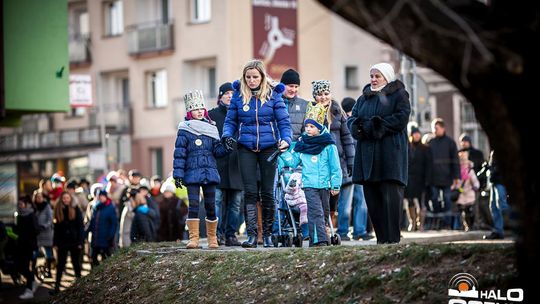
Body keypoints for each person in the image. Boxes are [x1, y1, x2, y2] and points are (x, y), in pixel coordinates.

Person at [222, 59, 292, 248]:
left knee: (268, 193)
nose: (251, 80)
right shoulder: (238, 96)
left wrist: (286, 138)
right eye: (248, 77)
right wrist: (227, 134)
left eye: (255, 77)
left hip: (269, 147)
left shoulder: (273, 96)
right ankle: (252, 235)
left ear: (262, 77)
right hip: (245, 148)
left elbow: (284, 122)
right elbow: (230, 122)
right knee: (250, 192)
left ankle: (268, 235)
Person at [347, 62, 411, 244]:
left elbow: (401, 118)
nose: (373, 80)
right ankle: (381, 242)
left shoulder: (399, 95)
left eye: (377, 76)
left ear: (386, 77)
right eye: (372, 76)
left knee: (390, 203)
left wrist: (376, 126)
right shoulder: (363, 98)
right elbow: (352, 119)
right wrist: (361, 127)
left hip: (390, 158)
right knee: (374, 204)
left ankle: (392, 242)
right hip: (368, 160)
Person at [173, 90, 229, 249]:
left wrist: (226, 147)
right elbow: (179, 154)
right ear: (189, 111)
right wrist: (178, 175)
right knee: (194, 205)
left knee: (211, 205)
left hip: (209, 172)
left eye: (200, 109)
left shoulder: (211, 128)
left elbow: (217, 151)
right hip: (192, 174)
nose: (198, 112)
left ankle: (212, 239)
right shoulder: (184, 129)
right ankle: (194, 239)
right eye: (195, 109)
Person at [279, 104, 342, 246]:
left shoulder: (328, 145)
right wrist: (283, 154)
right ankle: (321, 240)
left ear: (319, 127)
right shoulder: (303, 144)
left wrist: (336, 184)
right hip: (309, 185)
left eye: (312, 127)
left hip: (325, 185)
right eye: (306, 126)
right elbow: (294, 162)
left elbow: (335, 167)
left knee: (323, 212)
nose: (308, 129)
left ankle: (316, 239)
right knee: (315, 211)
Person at [311, 80, 355, 231]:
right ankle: (322, 226)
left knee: (334, 197)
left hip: (337, 161)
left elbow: (347, 139)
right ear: (314, 96)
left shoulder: (338, 112)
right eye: (319, 94)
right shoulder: (311, 112)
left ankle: (330, 226)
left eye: (326, 93)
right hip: (317, 162)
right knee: (321, 195)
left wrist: (351, 161)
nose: (323, 97)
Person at [208, 82, 244, 246]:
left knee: (235, 204)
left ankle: (231, 235)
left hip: (237, 165)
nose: (230, 96)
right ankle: (216, 234)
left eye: (233, 93)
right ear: (220, 96)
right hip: (218, 165)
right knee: (217, 201)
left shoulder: (242, 114)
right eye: (226, 93)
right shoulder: (211, 116)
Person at [339, 97, 372, 241]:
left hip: (359, 168)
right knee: (347, 202)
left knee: (360, 201)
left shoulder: (358, 122)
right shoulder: (344, 123)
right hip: (348, 169)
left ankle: (359, 230)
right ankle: (343, 231)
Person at [427, 118, 460, 229]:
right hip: (433, 178)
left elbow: (455, 160)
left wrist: (457, 177)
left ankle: (447, 224)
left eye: (436, 128)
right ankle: (437, 222)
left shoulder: (450, 142)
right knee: (435, 199)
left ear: (442, 128)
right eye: (433, 129)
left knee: (447, 200)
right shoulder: (430, 142)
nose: (434, 131)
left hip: (447, 178)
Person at [51, 192, 84, 294]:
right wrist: (55, 243)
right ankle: (56, 287)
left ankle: (80, 286)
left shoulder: (75, 209)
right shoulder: (58, 209)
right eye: (64, 198)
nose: (66, 200)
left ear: (70, 199)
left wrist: (80, 242)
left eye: (67, 198)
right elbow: (56, 229)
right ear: (61, 199)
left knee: (76, 264)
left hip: (74, 241)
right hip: (62, 242)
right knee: (60, 264)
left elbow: (80, 227)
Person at [404, 125, 431, 231]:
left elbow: (429, 165)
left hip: (421, 179)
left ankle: (421, 224)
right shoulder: (407, 147)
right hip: (409, 179)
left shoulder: (425, 148)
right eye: (415, 134)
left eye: (418, 134)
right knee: (409, 202)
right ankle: (412, 222)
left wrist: (428, 179)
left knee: (421, 202)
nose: (417, 136)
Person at [15, 195, 39, 300]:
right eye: (18, 204)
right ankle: (33, 282)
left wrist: (27, 236)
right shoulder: (18, 216)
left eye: (21, 204)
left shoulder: (31, 215)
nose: (20, 206)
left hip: (29, 246)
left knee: (25, 267)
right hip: (20, 245)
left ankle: (29, 290)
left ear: (26, 204)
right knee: (21, 267)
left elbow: (36, 230)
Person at [86, 190, 117, 268]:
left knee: (106, 259)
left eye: (103, 196)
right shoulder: (96, 207)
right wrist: (86, 232)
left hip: (105, 239)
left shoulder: (110, 208)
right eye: (100, 196)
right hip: (95, 238)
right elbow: (91, 222)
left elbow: (114, 223)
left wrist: (111, 235)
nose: (101, 198)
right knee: (93, 258)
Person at [484, 151, 508, 239]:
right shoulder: (494, 150)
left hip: (501, 182)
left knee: (502, 205)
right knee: (493, 207)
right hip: (494, 182)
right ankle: (498, 231)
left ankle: (516, 226)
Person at [280, 68, 309, 141]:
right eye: (291, 86)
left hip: (296, 148)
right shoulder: (273, 102)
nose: (293, 90)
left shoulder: (304, 105)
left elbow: (307, 129)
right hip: (276, 148)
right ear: (282, 85)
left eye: (296, 86)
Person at [33, 190, 54, 278]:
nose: (39, 198)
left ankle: (48, 271)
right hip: (36, 234)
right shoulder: (33, 207)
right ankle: (33, 271)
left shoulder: (47, 206)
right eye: (37, 197)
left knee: (48, 253)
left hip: (46, 233)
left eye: (40, 197)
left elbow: (50, 219)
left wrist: (44, 226)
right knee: (34, 253)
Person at [456, 150, 480, 231]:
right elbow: (454, 182)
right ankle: (463, 225)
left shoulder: (470, 171)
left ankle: (470, 225)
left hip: (469, 192)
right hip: (460, 193)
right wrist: (454, 188)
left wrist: (475, 187)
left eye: (464, 160)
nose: (462, 162)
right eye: (461, 160)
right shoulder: (456, 170)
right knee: (460, 211)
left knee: (469, 212)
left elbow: (475, 181)